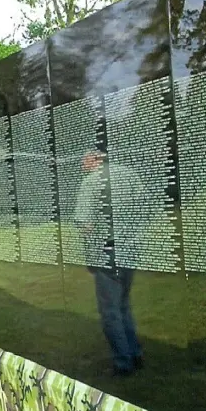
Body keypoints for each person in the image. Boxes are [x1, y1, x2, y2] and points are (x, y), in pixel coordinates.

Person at [75, 150, 145, 377]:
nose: (82, 164)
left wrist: (91, 258)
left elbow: (85, 225)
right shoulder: (129, 174)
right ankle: (134, 352)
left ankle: (123, 363)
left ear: (95, 158)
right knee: (123, 304)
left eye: (84, 159)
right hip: (131, 247)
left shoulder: (91, 182)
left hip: (108, 251)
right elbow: (143, 207)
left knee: (110, 311)